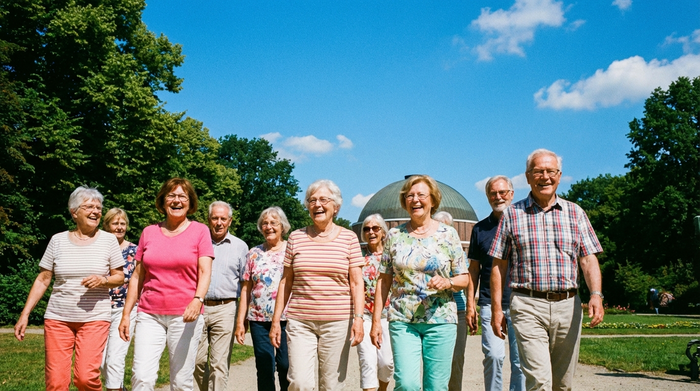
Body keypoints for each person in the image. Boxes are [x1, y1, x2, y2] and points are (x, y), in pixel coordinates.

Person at [489, 149, 604, 391]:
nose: (545, 177)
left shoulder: (576, 213)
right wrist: (497, 310)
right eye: (538, 172)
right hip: (528, 305)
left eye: (550, 171)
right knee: (539, 381)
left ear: (559, 176)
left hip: (568, 306)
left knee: (562, 384)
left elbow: (588, 259)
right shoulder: (512, 214)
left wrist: (596, 295)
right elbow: (499, 265)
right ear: (528, 177)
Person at [14, 186, 125, 391]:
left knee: (85, 378)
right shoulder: (58, 240)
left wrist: (103, 280)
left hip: (95, 318)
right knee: (55, 382)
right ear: (74, 212)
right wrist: (25, 313)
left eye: (99, 208)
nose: (96, 211)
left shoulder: (109, 240)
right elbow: (43, 279)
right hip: (58, 317)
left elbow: (120, 277)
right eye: (89, 207)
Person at [370, 175, 470, 391]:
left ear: (432, 200)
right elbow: (384, 279)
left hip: (441, 319)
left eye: (421, 195)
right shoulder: (395, 235)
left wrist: (447, 282)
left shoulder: (449, 234)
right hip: (403, 319)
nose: (415, 200)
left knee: (436, 386)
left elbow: (464, 278)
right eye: (410, 196)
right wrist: (376, 321)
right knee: (406, 384)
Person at [119, 178, 214, 391]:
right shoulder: (149, 232)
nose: (177, 200)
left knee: (180, 381)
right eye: (171, 196)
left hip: (185, 314)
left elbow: (205, 271)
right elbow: (137, 276)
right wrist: (126, 314)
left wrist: (197, 300)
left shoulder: (200, 231)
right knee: (142, 377)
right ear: (163, 201)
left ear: (190, 203)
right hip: (149, 313)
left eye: (182, 196)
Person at [269, 179, 364, 391]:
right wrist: (276, 320)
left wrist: (358, 318)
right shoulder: (296, 237)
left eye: (323, 200)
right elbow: (286, 281)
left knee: (331, 385)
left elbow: (357, 283)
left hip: (337, 322)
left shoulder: (349, 238)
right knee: (299, 382)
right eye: (312, 200)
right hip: (300, 321)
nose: (317, 205)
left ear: (336, 207)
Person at [465, 176, 525, 391]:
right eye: (493, 193)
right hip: (490, 302)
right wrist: (470, 304)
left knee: (520, 362)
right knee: (493, 356)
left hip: (521, 302)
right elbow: (473, 270)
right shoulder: (480, 229)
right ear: (488, 196)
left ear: (511, 193)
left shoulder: (523, 223)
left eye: (502, 192)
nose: (498, 197)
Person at [194, 201, 248, 391]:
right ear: (208, 220)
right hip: (199, 307)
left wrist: (242, 319)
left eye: (223, 219)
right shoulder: (198, 242)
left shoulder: (240, 247)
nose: (219, 222)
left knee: (219, 364)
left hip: (226, 308)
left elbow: (245, 285)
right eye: (215, 218)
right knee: (196, 361)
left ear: (230, 221)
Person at [235, 206, 291, 391]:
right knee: (265, 367)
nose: (268, 227)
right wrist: (240, 322)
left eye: (273, 223)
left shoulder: (291, 251)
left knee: (286, 366)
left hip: (286, 319)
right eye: (264, 223)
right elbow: (245, 289)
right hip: (258, 320)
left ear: (282, 226)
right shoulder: (253, 253)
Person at [101, 208, 139, 391]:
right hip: (98, 309)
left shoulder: (135, 251)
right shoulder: (97, 248)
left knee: (115, 359)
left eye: (122, 223)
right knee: (99, 363)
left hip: (124, 309)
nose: (119, 227)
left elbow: (138, 279)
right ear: (106, 226)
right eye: (115, 223)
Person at [357, 214, 394, 391]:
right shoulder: (358, 256)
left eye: (375, 228)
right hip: (364, 316)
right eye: (367, 229)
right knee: (367, 361)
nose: (371, 232)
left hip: (390, 316)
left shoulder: (392, 255)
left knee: (386, 363)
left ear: (383, 231)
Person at [433, 211, 468, 391]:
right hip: (434, 311)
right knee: (434, 361)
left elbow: (466, 280)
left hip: (459, 310)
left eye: (446, 227)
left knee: (456, 358)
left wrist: (471, 309)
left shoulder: (458, 252)